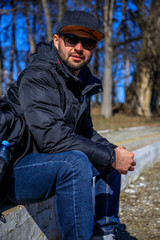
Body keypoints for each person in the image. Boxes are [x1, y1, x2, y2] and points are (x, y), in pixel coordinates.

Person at [5, 11, 136, 240]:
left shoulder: (80, 81)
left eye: (88, 42)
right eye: (71, 39)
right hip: (16, 171)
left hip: (47, 162)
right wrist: (111, 156)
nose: (78, 47)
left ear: (94, 48)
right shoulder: (38, 75)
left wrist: (115, 153)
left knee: (108, 155)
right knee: (76, 162)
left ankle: (104, 232)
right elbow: (52, 138)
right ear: (56, 41)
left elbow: (86, 133)